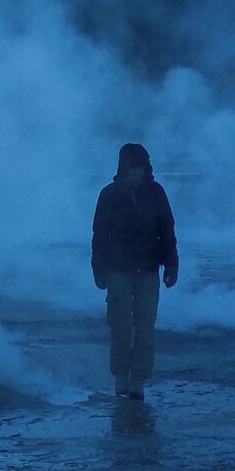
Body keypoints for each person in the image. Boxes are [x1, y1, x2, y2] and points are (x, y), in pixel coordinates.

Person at [92, 142, 178, 400]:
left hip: (149, 270)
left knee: (145, 326)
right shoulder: (109, 195)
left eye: (141, 167)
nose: (137, 172)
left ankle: (138, 379)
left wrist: (171, 263)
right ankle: (120, 375)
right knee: (120, 324)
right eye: (133, 167)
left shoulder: (156, 193)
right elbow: (99, 235)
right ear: (123, 167)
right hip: (118, 269)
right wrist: (98, 267)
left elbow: (167, 230)